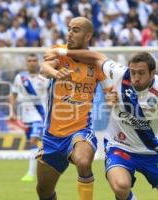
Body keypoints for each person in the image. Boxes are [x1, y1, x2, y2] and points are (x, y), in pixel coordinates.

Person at [44, 49, 158, 200]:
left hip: (150, 150)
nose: (135, 77)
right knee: (121, 186)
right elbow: (95, 56)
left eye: (141, 73)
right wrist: (62, 52)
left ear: (152, 73)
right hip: (119, 146)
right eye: (133, 72)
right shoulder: (119, 73)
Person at [36, 17, 111, 200]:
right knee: (43, 192)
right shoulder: (58, 52)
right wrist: (55, 73)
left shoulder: (95, 63)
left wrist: (112, 97)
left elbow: (109, 90)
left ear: (88, 36)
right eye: (69, 29)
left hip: (80, 130)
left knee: (83, 161)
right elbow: (44, 68)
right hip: (52, 136)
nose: (70, 33)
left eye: (76, 30)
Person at [10, 53, 49, 182]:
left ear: (37, 62)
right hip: (26, 116)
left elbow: (51, 96)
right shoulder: (20, 78)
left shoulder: (44, 78)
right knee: (35, 144)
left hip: (40, 115)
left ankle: (31, 174)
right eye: (29, 60)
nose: (32, 62)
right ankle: (46, 168)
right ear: (26, 63)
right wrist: (12, 110)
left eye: (34, 60)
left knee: (33, 140)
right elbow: (13, 95)